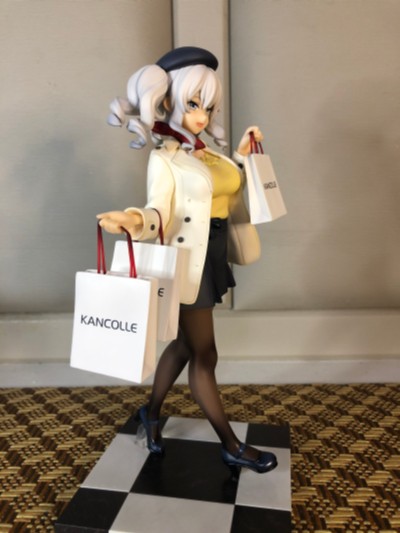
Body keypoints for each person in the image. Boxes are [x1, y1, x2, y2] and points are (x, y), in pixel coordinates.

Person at [97, 47, 277, 476]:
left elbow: (226, 190)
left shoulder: (205, 153)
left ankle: (150, 413)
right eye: (193, 103)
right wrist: (134, 220)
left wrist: (242, 157)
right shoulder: (165, 159)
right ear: (167, 100)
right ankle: (231, 445)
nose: (201, 115)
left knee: (183, 345)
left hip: (211, 255)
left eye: (207, 107)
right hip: (186, 260)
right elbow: (158, 211)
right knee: (205, 354)